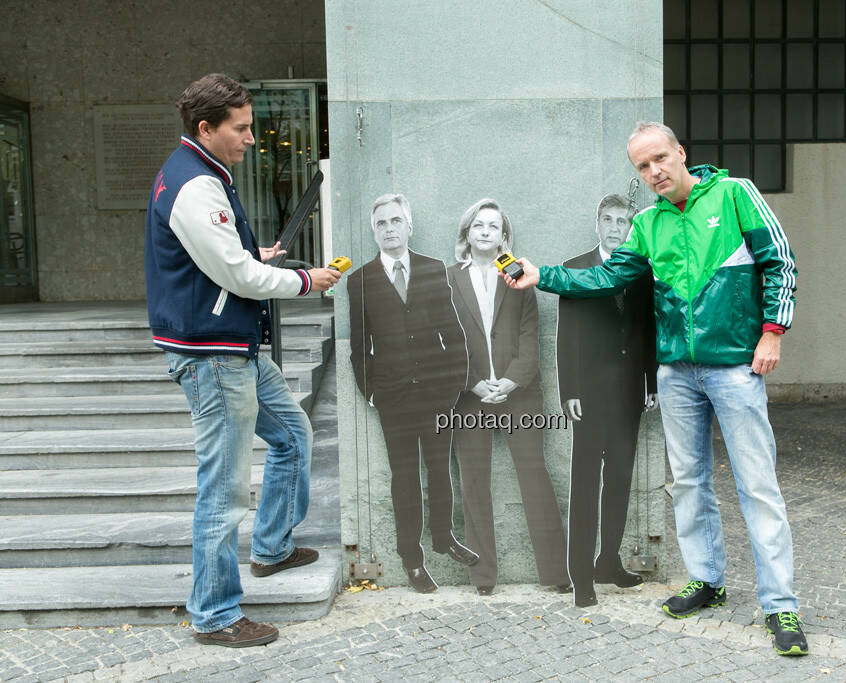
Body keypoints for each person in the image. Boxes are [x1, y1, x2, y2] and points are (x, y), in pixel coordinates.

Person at [502, 122, 807, 656]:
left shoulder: (735, 196)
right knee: (688, 482)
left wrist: (772, 333)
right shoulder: (647, 223)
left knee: (757, 485)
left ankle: (780, 605)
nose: (654, 172)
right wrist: (541, 274)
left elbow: (780, 261)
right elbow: (606, 279)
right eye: (643, 167)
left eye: (660, 159)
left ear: (680, 153)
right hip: (677, 373)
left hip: (737, 367)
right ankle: (707, 581)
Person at [145, 73, 341, 647]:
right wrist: (307, 279)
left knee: (293, 434)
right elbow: (235, 275)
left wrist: (253, 254)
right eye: (242, 128)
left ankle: (273, 548)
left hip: (231, 346)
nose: (252, 138)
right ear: (206, 129)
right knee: (224, 487)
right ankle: (215, 613)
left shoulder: (198, 175)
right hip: (213, 357)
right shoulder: (194, 185)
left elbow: (219, 258)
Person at [347, 193, 478, 593]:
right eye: (381, 224)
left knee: (440, 469)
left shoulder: (433, 269)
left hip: (437, 392)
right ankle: (413, 559)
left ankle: (444, 538)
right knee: (404, 476)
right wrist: (371, 392)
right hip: (393, 396)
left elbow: (452, 329)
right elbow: (358, 343)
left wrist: (456, 381)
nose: (389, 229)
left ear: (409, 225)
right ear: (375, 231)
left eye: (395, 221)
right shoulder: (361, 280)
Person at [447, 198, 570, 596]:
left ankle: (555, 572)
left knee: (535, 476)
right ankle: (483, 576)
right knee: (473, 483)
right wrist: (475, 381)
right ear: (467, 234)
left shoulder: (517, 276)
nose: (486, 232)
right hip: (469, 398)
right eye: (479, 225)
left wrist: (511, 382)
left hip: (520, 396)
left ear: (504, 236)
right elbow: (445, 342)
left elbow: (530, 337)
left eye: (493, 226)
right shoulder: (448, 280)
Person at [557, 193, 658, 608]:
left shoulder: (641, 270)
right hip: (589, 396)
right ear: (597, 223)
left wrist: (651, 382)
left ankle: (608, 562)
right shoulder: (575, 269)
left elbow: (647, 329)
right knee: (585, 484)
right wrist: (570, 391)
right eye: (609, 220)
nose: (616, 228)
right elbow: (567, 336)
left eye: (623, 222)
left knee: (619, 481)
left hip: (629, 394)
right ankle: (581, 575)